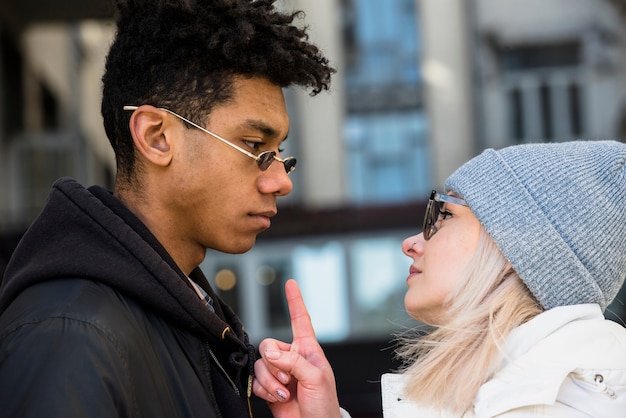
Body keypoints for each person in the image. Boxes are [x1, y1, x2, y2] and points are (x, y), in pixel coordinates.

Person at [0, 0, 333, 416]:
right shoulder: (70, 335)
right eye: (254, 147)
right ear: (157, 137)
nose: (281, 181)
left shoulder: (186, 320)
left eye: (280, 153)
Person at [252, 140, 626, 417]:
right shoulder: (529, 392)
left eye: (444, 214)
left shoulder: (557, 403)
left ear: (521, 246)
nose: (411, 243)